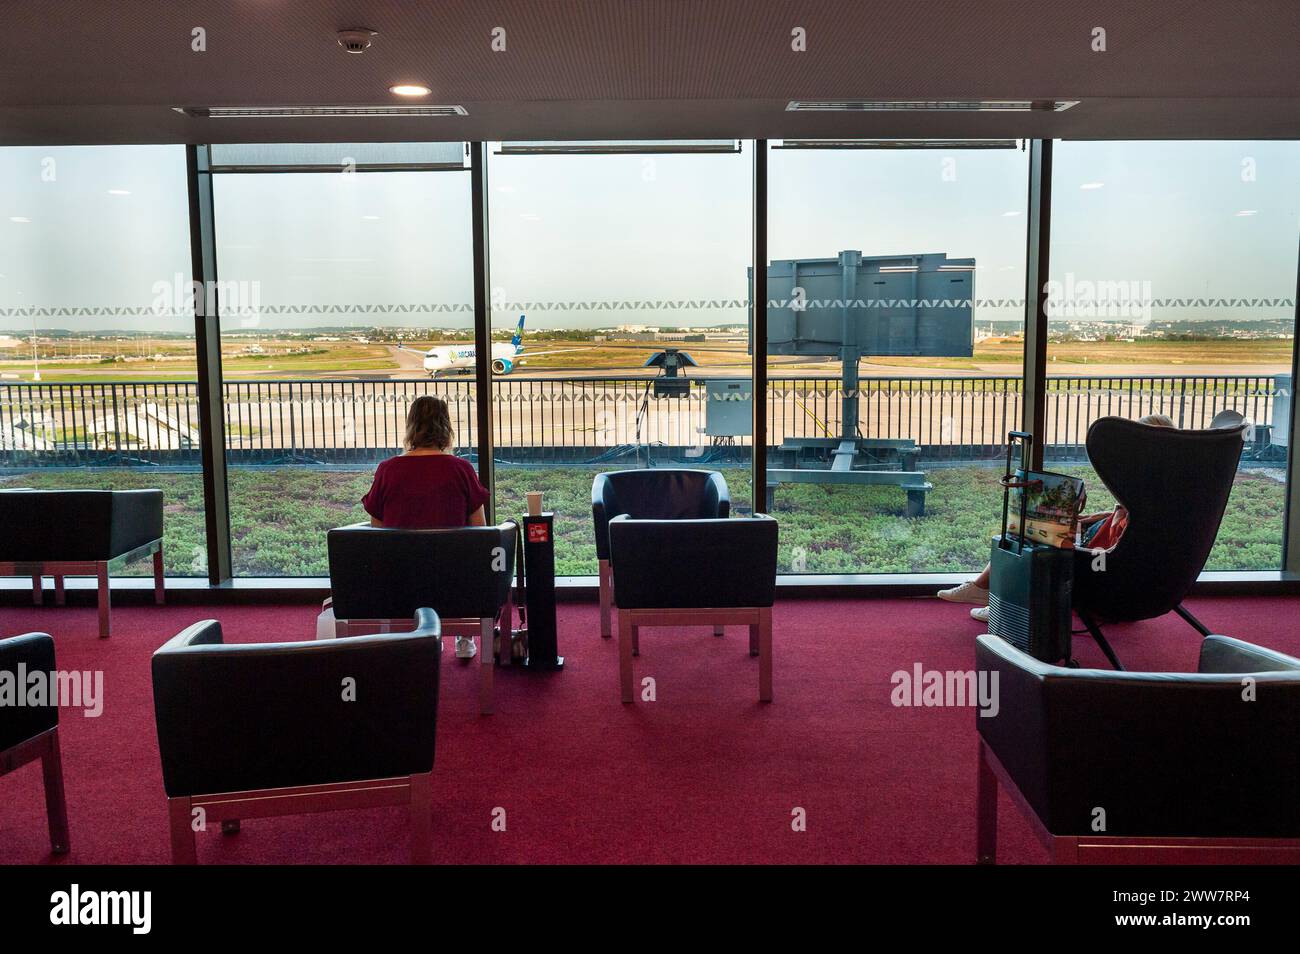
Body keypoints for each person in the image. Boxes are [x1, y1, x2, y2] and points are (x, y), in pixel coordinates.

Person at [939, 413, 1175, 623]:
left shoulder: (1144, 495)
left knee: (1038, 533)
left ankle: (1000, 601)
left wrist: (1072, 538)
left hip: (1100, 568)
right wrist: (1091, 518)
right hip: (1105, 560)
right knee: (1036, 523)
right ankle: (987, 589)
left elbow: (1113, 551)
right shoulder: (1164, 492)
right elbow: (1126, 525)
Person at [361, 395, 491, 659]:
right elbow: (479, 533)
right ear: (446, 427)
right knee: (466, 558)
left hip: (401, 583)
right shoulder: (462, 469)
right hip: (452, 584)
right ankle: (464, 636)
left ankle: (418, 637)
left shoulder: (388, 470)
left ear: (410, 427)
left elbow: (378, 533)